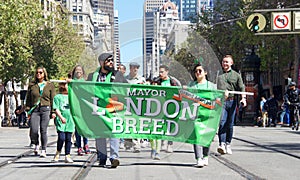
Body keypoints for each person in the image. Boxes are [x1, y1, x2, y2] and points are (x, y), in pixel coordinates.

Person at [87, 52, 127, 168]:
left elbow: (127, 88)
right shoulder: (92, 76)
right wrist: (72, 84)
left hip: (113, 109)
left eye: (112, 61)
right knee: (100, 134)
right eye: (108, 61)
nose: (111, 63)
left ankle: (114, 157)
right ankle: (102, 157)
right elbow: (84, 88)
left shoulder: (117, 75)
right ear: (101, 62)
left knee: (114, 132)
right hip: (98, 109)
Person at [188, 63, 217, 167]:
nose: (198, 73)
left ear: (205, 72)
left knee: (207, 136)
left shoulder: (212, 86)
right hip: (196, 115)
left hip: (209, 115)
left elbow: (218, 99)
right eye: (196, 71)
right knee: (197, 136)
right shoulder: (192, 85)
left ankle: (205, 156)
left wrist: (225, 94)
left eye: (200, 71)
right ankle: (198, 158)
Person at [217, 55, 246, 155]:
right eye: (223, 62)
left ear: (231, 63)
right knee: (222, 122)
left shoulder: (236, 75)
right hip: (222, 102)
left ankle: (228, 143)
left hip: (232, 101)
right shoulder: (218, 75)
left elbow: (242, 87)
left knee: (230, 124)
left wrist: (243, 99)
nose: (225, 64)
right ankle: (221, 143)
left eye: (227, 62)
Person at [25, 67, 56, 157]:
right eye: (37, 73)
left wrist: (53, 111)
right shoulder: (32, 85)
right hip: (35, 110)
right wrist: (28, 110)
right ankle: (36, 144)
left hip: (45, 109)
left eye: (40, 72)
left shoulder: (50, 85)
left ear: (44, 74)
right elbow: (28, 99)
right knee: (34, 129)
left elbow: (53, 99)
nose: (38, 74)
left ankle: (43, 149)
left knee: (43, 130)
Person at [157, 64, 181, 153]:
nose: (160, 74)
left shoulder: (174, 81)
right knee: (162, 124)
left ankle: (170, 144)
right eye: (159, 72)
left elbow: (180, 91)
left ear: (167, 72)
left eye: (162, 72)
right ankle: (163, 141)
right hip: (160, 106)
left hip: (172, 106)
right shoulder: (157, 81)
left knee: (171, 125)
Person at [69, 65, 91, 155]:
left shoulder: (85, 82)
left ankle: (86, 144)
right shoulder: (71, 83)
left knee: (84, 126)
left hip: (84, 107)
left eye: (80, 70)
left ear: (82, 72)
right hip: (75, 106)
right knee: (77, 127)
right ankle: (79, 146)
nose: (78, 71)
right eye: (76, 70)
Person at [124, 62, 146, 153]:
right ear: (130, 68)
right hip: (127, 104)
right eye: (134, 67)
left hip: (138, 105)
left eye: (137, 67)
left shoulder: (141, 80)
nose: (135, 69)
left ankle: (136, 144)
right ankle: (128, 142)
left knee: (136, 124)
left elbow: (147, 91)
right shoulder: (125, 79)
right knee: (128, 124)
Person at [52, 80, 75, 163]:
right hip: (61, 120)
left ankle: (67, 155)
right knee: (62, 138)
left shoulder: (72, 97)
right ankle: (58, 152)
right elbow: (56, 108)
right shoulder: (57, 97)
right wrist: (61, 117)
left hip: (70, 120)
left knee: (69, 138)